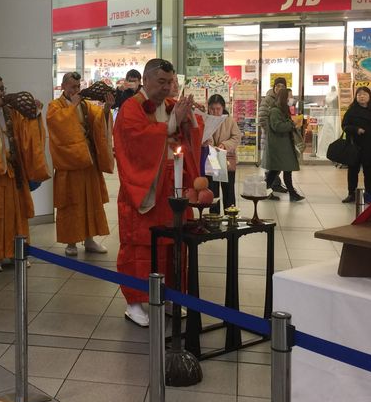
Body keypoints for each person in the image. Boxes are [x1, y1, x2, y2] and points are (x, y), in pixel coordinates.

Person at [114, 58, 204, 326]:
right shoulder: (131, 108)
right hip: (144, 186)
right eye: (161, 82)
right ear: (146, 79)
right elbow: (135, 141)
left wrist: (189, 122)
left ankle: (166, 296)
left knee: (172, 242)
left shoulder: (171, 106)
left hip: (172, 183)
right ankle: (134, 303)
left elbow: (190, 138)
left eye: (171, 82)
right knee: (139, 244)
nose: (167, 88)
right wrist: (171, 125)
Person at [0, 75, 49, 272]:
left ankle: (16, 253)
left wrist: (33, 113)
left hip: (13, 172)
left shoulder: (11, 113)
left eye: (1, 88)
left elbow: (27, 135)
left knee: (16, 215)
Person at [46, 71, 114, 256]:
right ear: (63, 87)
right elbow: (56, 125)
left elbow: (98, 121)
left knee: (91, 201)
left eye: (78, 87)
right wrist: (72, 107)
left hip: (87, 160)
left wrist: (107, 108)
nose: (76, 90)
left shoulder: (84, 105)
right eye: (73, 87)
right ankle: (71, 242)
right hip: (69, 163)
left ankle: (90, 239)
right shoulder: (55, 106)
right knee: (71, 202)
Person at [341, 86, 371, 204]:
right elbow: (345, 126)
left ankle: (369, 194)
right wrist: (356, 129)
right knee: (352, 171)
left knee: (369, 171)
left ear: (369, 96)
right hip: (355, 146)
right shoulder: (351, 111)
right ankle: (351, 193)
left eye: (364, 94)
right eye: (359, 94)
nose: (361, 96)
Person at [263, 88, 305, 202]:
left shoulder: (282, 109)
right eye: (289, 96)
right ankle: (267, 191)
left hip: (284, 145)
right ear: (283, 98)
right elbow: (277, 126)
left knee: (284, 169)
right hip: (279, 146)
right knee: (277, 170)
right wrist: (292, 123)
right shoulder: (275, 111)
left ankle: (291, 193)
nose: (291, 99)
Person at [206, 94, 241, 211]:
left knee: (229, 190)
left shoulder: (229, 120)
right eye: (212, 109)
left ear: (223, 108)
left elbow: (236, 137)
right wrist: (208, 143)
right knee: (213, 191)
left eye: (218, 109)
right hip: (212, 159)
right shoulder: (205, 120)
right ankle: (214, 218)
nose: (215, 112)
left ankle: (230, 217)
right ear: (208, 108)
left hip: (226, 159)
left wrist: (225, 145)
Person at [258, 77, 289, 193]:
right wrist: (271, 131)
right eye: (277, 86)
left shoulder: (283, 100)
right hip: (269, 137)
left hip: (279, 137)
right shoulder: (268, 100)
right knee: (271, 162)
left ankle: (273, 184)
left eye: (282, 86)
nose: (279, 88)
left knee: (276, 161)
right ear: (274, 87)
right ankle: (270, 186)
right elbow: (262, 117)